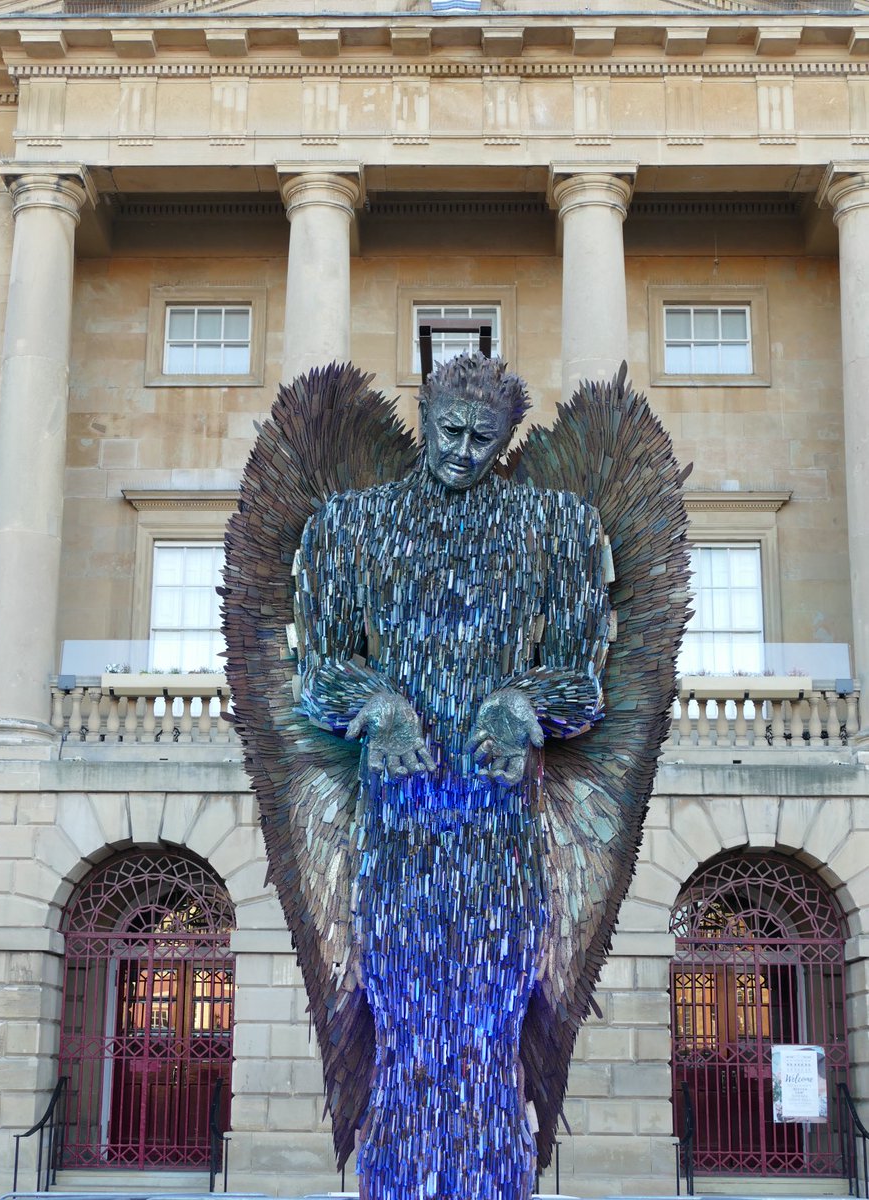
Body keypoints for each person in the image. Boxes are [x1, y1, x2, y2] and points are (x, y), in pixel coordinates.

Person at [293, 353, 611, 1200]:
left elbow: (582, 682)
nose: (464, 452)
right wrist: (376, 704)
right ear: (424, 415)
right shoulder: (347, 529)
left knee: (489, 1034)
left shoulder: (557, 528)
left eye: (484, 440)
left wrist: (522, 700)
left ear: (507, 441)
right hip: (393, 830)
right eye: (450, 432)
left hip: (501, 834)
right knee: (400, 1027)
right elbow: (319, 670)